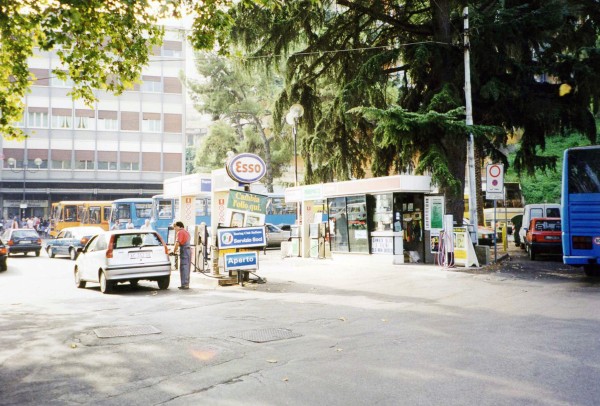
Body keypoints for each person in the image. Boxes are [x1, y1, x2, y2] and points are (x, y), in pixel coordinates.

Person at [171, 221, 192, 290]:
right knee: (187, 267)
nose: (174, 229)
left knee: (184, 267)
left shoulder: (180, 232)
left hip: (184, 251)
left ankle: (184, 284)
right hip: (188, 251)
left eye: (175, 227)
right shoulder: (186, 232)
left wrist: (173, 251)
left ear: (178, 226)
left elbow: (177, 243)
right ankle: (186, 283)